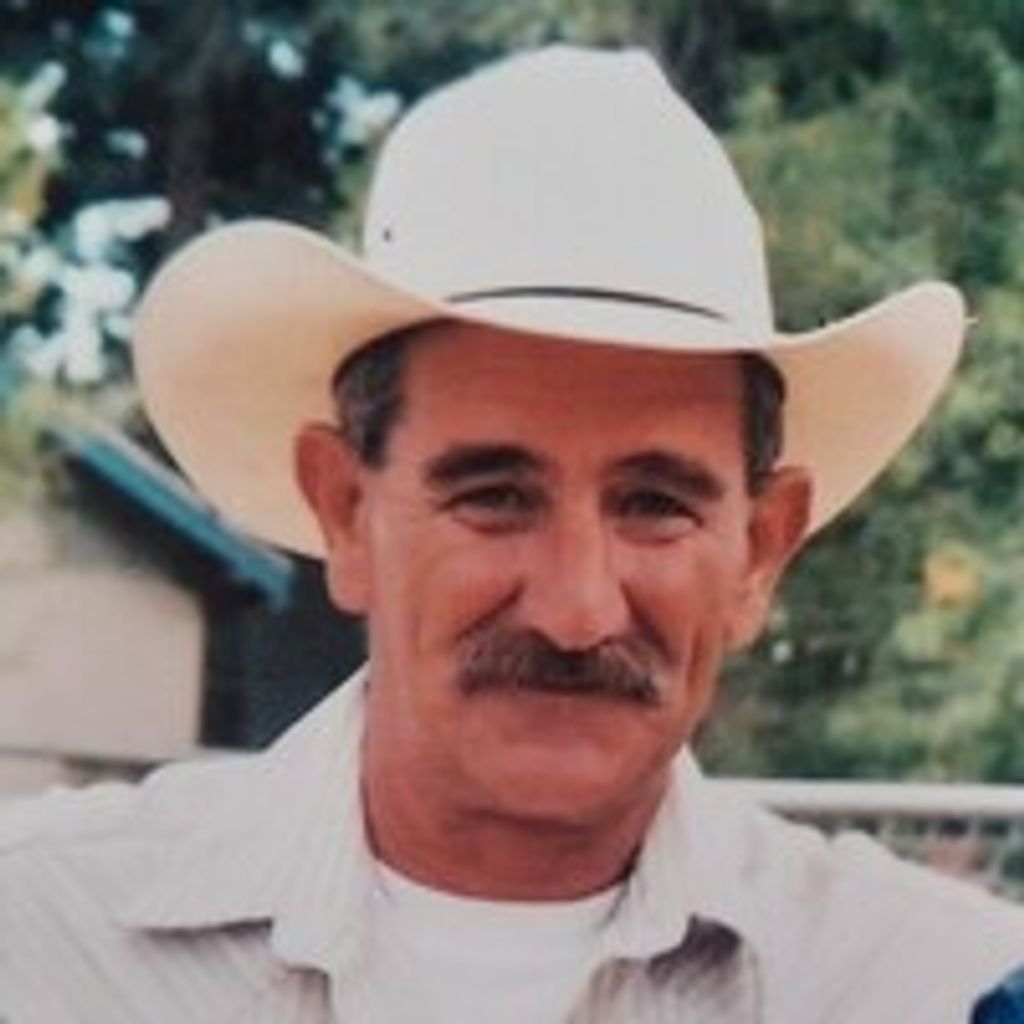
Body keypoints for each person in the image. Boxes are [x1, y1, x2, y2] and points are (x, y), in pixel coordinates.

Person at [1, 45, 1022, 1023]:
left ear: (759, 551)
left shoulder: (933, 993)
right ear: (347, 512)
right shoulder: (41, 947)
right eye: (494, 496)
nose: (577, 610)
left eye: (655, 505)